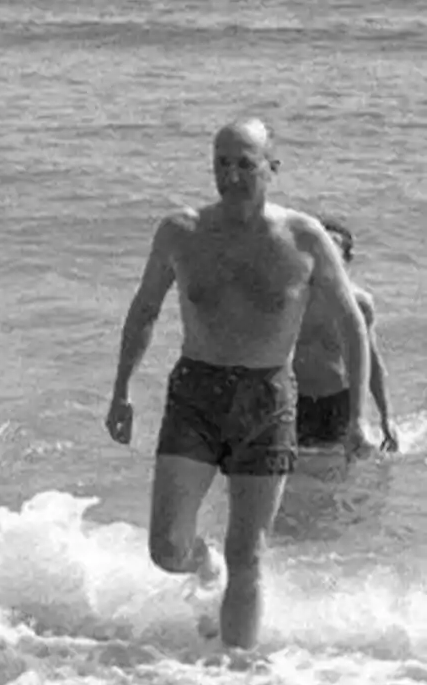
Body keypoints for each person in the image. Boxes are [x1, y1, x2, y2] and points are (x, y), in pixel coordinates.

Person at [104, 119, 370, 652]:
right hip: (194, 396)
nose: (230, 174)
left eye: (244, 163)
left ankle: (237, 681)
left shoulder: (302, 237)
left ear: (272, 168)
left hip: (268, 399)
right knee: (165, 547)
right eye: (221, 162)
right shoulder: (181, 231)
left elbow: (351, 325)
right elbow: (145, 310)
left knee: (250, 553)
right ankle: (204, 564)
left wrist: (359, 416)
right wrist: (122, 389)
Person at [294, 217, 398, 452]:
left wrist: (386, 418)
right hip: (293, 400)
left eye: (333, 249)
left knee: (341, 479)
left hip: (339, 401)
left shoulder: (359, 303)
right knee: (291, 479)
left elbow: (372, 363)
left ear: (347, 259)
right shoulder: (292, 299)